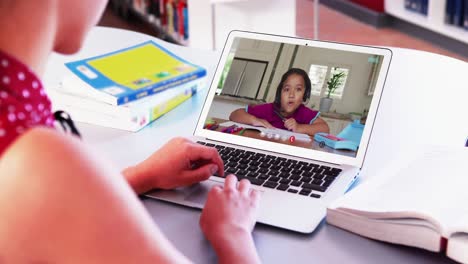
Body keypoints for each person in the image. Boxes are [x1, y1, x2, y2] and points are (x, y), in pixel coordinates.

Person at [0, 1, 261, 263]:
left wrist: (139, 176)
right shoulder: (42, 161)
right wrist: (234, 233)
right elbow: (51, 192)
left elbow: (50, 213)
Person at [230, 68, 329, 136]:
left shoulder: (303, 112)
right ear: (279, 93)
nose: (291, 95)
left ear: (305, 94)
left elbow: (325, 128)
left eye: (298, 89)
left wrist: (299, 128)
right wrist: (255, 120)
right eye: (286, 89)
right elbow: (235, 114)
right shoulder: (269, 109)